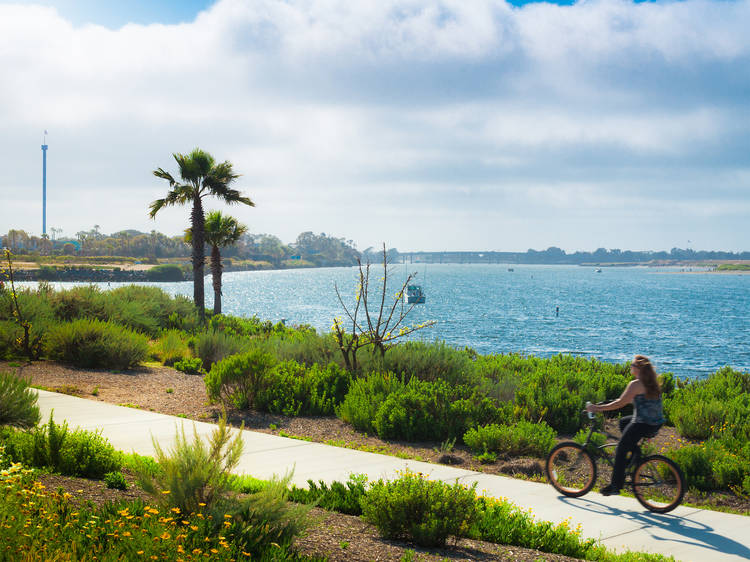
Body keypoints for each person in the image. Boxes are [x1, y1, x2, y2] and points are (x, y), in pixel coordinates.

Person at [586, 355, 665, 496]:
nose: (630, 366)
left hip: (642, 423)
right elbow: (634, 401)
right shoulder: (651, 382)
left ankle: (615, 486)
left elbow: (619, 404)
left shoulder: (635, 384)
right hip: (655, 423)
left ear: (638, 369)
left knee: (621, 449)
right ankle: (635, 452)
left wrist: (597, 408)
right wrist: (615, 401)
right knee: (623, 422)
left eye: (632, 365)